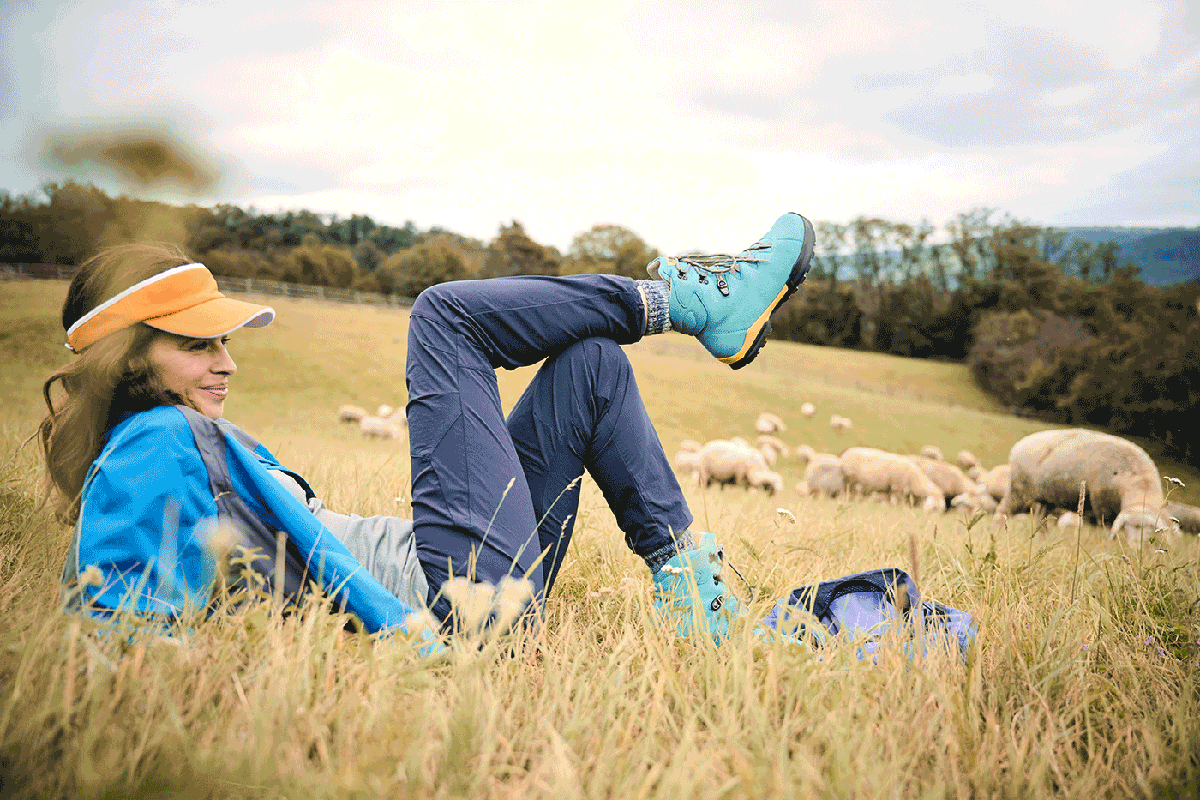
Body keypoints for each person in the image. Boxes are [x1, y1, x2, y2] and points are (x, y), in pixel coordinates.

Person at [40, 213, 815, 651]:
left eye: (223, 342)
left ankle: (701, 608)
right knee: (444, 316)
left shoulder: (175, 439)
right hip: (446, 600)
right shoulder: (148, 446)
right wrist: (408, 638)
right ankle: (686, 301)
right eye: (197, 345)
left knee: (591, 366)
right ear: (124, 361)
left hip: (463, 581)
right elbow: (117, 629)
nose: (227, 364)